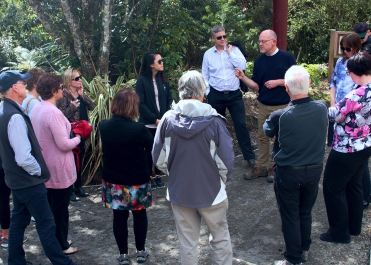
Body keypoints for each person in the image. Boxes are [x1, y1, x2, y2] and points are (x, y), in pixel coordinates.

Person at [152, 70, 234, 265]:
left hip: (180, 191)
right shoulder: (215, 121)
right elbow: (226, 160)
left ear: (181, 90)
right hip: (212, 191)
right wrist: (221, 179)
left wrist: (173, 174)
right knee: (220, 237)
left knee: (187, 243)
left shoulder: (167, 120)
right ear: (202, 91)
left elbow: (159, 158)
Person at [0, 70, 76, 265]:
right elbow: (24, 157)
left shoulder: (4, 110)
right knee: (46, 223)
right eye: (23, 83)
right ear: (14, 88)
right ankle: (62, 262)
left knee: (18, 221)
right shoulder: (14, 116)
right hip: (28, 180)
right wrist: (40, 172)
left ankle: (16, 261)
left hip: (15, 179)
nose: (27, 86)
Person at [263, 66, 328, 265]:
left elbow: (267, 130)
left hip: (288, 172)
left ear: (287, 89)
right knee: (305, 212)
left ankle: (293, 258)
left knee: (290, 216)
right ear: (309, 84)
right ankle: (304, 248)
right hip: (314, 169)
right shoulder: (322, 107)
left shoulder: (281, 115)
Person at [321, 52, 371, 244]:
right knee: (354, 185)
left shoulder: (356, 94)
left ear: (355, 72)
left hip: (347, 147)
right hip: (366, 144)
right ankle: (354, 227)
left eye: (349, 72)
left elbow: (334, 113)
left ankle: (338, 233)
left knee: (333, 189)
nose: (348, 75)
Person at [99, 90, 153, 265]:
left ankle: (123, 254)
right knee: (139, 215)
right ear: (132, 106)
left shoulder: (104, 125)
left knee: (119, 217)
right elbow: (151, 148)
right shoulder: (139, 128)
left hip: (114, 179)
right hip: (137, 178)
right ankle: (140, 251)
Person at [236, 29, 296, 183]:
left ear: (273, 42)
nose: (260, 44)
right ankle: (261, 167)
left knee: (280, 138)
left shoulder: (287, 58)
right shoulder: (259, 61)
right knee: (263, 137)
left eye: (264, 41)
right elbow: (256, 85)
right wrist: (243, 77)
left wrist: (279, 82)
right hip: (264, 104)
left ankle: (274, 167)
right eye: (260, 41)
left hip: (282, 105)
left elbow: (296, 79)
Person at [31, 73, 82, 255]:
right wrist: (78, 137)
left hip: (45, 165)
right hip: (58, 168)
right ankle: (61, 244)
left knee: (53, 207)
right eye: (60, 87)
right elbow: (63, 144)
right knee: (60, 210)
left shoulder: (37, 108)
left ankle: (57, 239)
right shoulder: (53, 112)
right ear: (53, 91)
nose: (62, 89)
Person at [202, 25, 256, 167]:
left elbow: (242, 65)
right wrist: (208, 93)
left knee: (241, 124)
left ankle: (249, 156)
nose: (223, 39)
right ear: (213, 38)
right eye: (219, 37)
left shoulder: (234, 50)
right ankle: (217, 157)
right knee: (216, 127)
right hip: (216, 94)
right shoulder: (208, 54)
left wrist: (230, 53)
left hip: (234, 94)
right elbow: (205, 76)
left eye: (224, 36)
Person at [135, 51, 173, 190]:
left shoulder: (163, 79)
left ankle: (158, 176)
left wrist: (166, 116)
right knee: (148, 151)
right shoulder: (141, 81)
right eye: (159, 61)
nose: (162, 63)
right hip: (148, 123)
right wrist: (154, 119)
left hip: (162, 122)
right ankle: (147, 178)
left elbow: (169, 98)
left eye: (162, 60)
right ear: (151, 64)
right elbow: (141, 103)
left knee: (160, 149)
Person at [57, 68, 95, 201]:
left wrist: (82, 95)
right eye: (77, 78)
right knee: (71, 161)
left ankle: (78, 186)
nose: (80, 80)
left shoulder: (80, 93)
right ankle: (70, 189)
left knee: (81, 159)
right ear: (69, 81)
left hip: (83, 132)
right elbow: (61, 115)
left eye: (80, 77)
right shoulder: (64, 96)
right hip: (71, 133)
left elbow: (93, 107)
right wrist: (73, 105)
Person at [327, 33, 361, 146]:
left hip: (353, 108)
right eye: (343, 48)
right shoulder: (340, 62)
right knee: (334, 141)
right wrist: (333, 103)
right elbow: (333, 83)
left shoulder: (362, 62)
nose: (345, 51)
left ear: (356, 46)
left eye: (348, 48)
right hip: (337, 106)